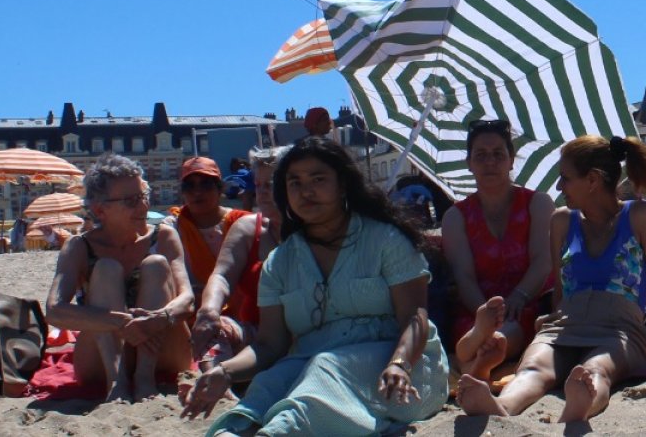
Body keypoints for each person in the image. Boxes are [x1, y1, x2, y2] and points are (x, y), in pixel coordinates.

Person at [180, 136, 447, 434]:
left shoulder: (386, 239)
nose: (306, 190)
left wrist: (400, 363)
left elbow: (415, 317)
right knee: (267, 385)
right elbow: (270, 344)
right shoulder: (280, 261)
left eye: (318, 179)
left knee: (323, 372)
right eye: (294, 182)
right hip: (309, 365)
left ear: (342, 184)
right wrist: (225, 372)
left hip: (398, 373)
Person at [454, 135, 646, 424]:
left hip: (619, 330)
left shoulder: (640, 216)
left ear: (593, 180)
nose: (559, 187)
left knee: (597, 369)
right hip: (564, 326)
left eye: (565, 178)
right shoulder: (561, 221)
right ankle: (502, 406)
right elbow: (560, 291)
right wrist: (548, 322)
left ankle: (581, 405)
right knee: (534, 368)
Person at [46, 153, 198, 402]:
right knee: (105, 269)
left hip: (163, 352)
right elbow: (53, 311)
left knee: (156, 264)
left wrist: (158, 319)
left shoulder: (163, 236)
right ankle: (117, 380)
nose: (143, 207)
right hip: (102, 360)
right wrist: (118, 322)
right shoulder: (79, 247)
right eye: (131, 201)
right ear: (99, 210)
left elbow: (187, 299)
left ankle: (144, 377)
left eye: (143, 197)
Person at [444, 120, 556, 382]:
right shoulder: (455, 216)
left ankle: (481, 356)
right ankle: (485, 351)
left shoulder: (538, 203)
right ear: (469, 163)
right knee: (475, 329)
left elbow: (543, 262)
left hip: (529, 299)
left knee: (519, 324)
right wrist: (485, 313)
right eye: (480, 155)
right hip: (477, 308)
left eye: (498, 154)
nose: (490, 162)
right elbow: (464, 277)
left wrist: (518, 297)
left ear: (511, 160)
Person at [190, 145, 288, 371]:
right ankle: (215, 387)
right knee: (215, 328)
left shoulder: (313, 231)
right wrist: (209, 310)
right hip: (257, 333)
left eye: (271, 185)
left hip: (306, 334)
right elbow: (222, 276)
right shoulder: (247, 227)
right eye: (258, 185)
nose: (261, 192)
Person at [173, 157, 253, 303]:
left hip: (242, 316)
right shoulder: (174, 226)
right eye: (189, 186)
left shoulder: (244, 222)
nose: (197, 192)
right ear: (182, 192)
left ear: (220, 189)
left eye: (206, 185)